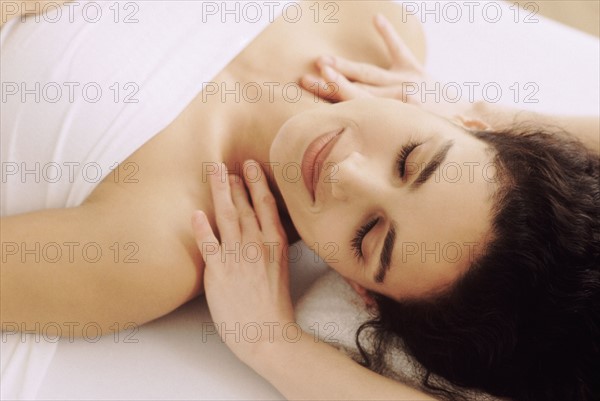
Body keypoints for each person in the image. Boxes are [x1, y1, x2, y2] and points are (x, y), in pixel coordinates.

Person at [2, 1, 598, 400]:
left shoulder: (155, 250)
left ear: (359, 289)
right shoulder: (371, 20)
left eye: (368, 235)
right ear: (463, 118)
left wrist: (270, 341)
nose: (346, 173)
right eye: (413, 159)